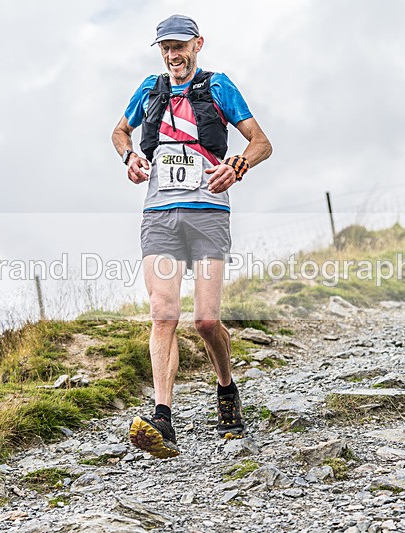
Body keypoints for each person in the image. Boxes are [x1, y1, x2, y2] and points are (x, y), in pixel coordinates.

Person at [111, 14, 272, 459]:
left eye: (179, 46)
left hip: (208, 215)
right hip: (159, 215)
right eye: (164, 47)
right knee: (163, 314)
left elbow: (261, 142)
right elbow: (119, 131)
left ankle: (226, 389)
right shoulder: (149, 88)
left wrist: (237, 166)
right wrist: (128, 158)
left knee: (204, 320)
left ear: (198, 44)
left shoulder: (218, 86)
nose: (171, 55)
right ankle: (162, 417)